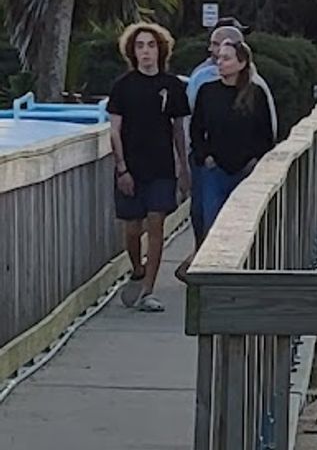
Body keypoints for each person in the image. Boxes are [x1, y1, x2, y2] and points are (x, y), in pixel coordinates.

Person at [109, 23, 190, 313]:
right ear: (133, 51)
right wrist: (121, 169)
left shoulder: (173, 86)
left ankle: (148, 291)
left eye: (151, 45)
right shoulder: (122, 86)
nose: (146, 51)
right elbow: (115, 131)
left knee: (156, 223)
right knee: (133, 229)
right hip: (131, 167)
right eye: (140, 46)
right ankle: (137, 268)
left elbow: (178, 130)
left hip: (162, 168)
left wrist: (183, 168)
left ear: (160, 50)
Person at [190, 39, 275, 237]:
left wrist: (254, 161)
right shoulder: (207, 91)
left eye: (226, 58)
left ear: (242, 62)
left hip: (246, 171)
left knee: (243, 228)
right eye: (218, 58)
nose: (220, 62)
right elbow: (196, 129)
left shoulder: (256, 93)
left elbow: (265, 134)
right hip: (214, 171)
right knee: (211, 225)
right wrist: (204, 157)